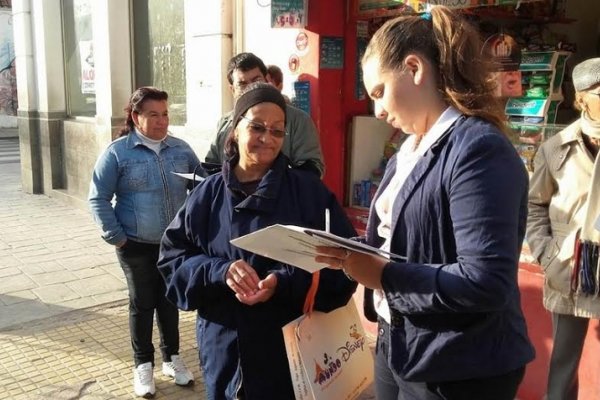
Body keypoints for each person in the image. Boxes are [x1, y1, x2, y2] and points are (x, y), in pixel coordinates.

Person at [315, 6, 535, 400]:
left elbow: (485, 282)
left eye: (380, 92)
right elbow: (405, 245)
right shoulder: (409, 149)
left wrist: (381, 276)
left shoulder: (478, 149)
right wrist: (350, 253)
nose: (378, 111)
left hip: (459, 365)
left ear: (414, 68)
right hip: (400, 344)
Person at [157, 82, 357, 400]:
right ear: (235, 130)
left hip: (292, 357)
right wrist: (218, 271)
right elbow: (172, 262)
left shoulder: (309, 194)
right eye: (258, 127)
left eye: (278, 131)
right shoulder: (207, 195)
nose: (268, 138)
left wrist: (284, 281)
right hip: (224, 353)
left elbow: (344, 264)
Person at [88, 87, 198, 398]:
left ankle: (172, 358)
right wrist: (118, 238)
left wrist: (192, 229)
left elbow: (202, 190)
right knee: (142, 303)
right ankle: (143, 365)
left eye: (165, 114)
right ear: (136, 117)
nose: (162, 121)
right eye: (154, 114)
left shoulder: (181, 150)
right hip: (134, 245)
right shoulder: (118, 153)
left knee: (170, 300)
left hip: (173, 246)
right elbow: (97, 198)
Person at [527, 57, 600, 400]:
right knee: (563, 367)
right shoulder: (556, 149)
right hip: (570, 269)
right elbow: (533, 204)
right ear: (581, 99)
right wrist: (547, 252)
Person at [204, 52, 324, 177]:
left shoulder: (298, 120)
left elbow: (312, 169)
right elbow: (212, 165)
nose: (251, 87)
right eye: (242, 84)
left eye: (256, 80)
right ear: (233, 90)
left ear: (267, 80)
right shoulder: (225, 122)